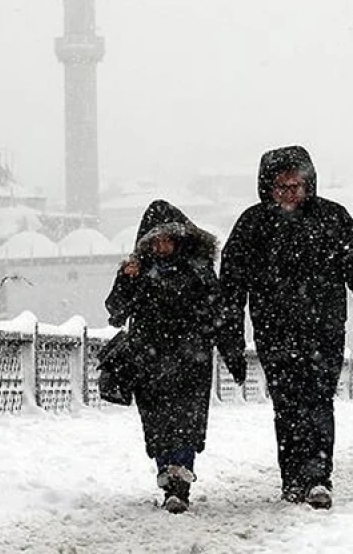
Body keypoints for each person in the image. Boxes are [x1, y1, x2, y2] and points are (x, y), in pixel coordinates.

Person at [217, 145, 353, 509]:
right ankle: (292, 478)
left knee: (318, 400)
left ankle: (317, 477)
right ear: (268, 188)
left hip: (323, 329)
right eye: (282, 187)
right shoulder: (253, 225)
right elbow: (230, 285)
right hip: (274, 331)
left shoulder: (332, 219)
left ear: (309, 184)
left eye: (296, 186)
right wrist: (230, 335)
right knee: (287, 404)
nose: (290, 194)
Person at [104, 200, 225, 514]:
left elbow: (217, 311)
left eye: (168, 238)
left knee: (185, 421)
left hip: (190, 360)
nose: (162, 246)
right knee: (158, 424)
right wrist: (126, 279)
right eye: (156, 240)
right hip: (150, 360)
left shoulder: (198, 269)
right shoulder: (139, 271)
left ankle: (179, 483)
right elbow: (116, 313)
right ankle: (168, 477)